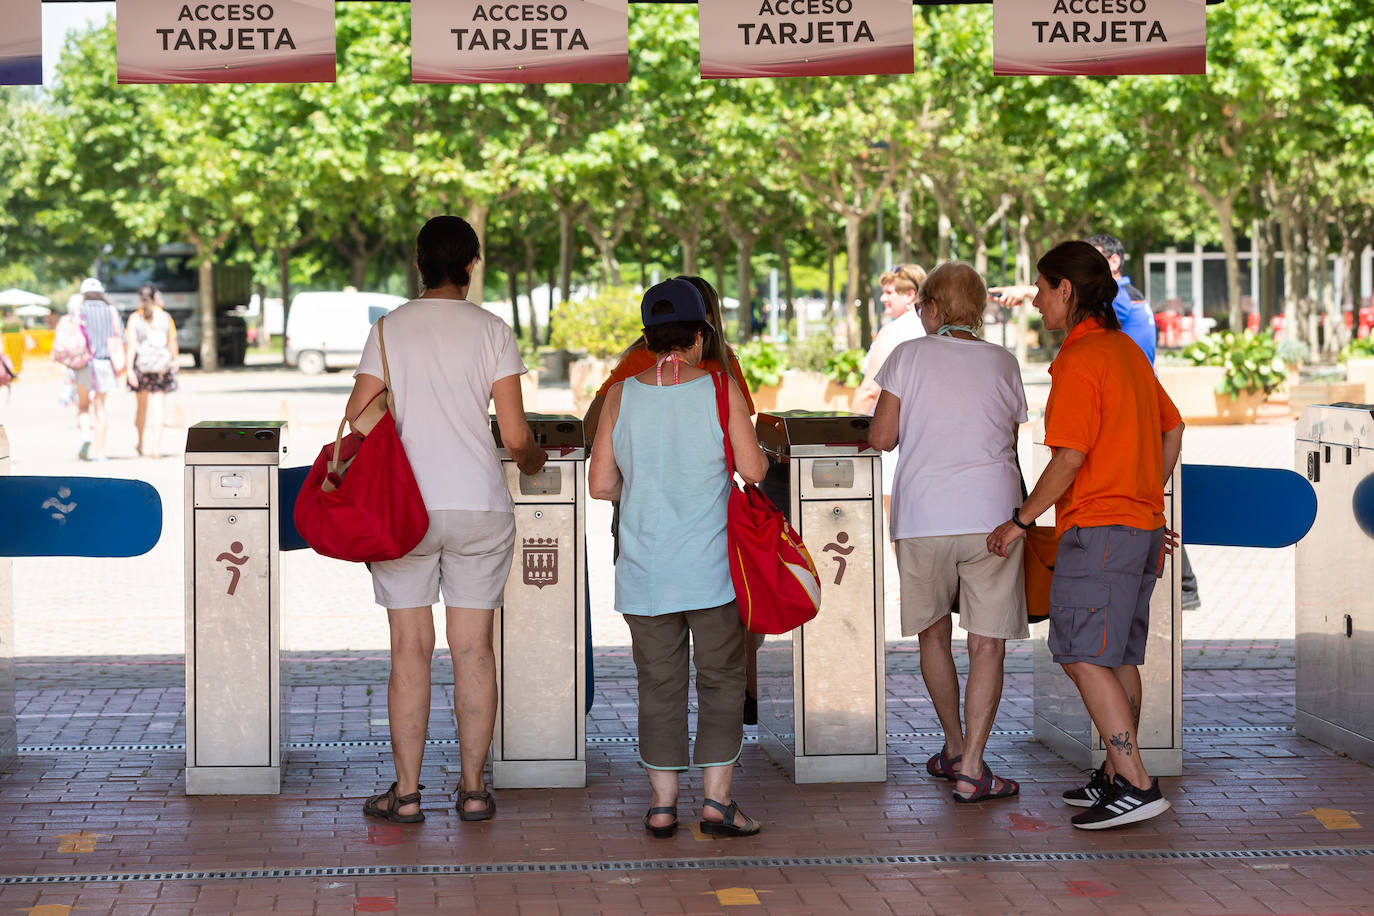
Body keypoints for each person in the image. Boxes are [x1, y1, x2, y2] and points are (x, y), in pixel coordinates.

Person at [347, 215, 546, 825]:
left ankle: (406, 796)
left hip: (403, 509)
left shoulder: (387, 330)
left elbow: (359, 419)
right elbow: (514, 437)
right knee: (473, 649)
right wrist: (538, 459)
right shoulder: (493, 331)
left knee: (409, 648)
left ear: (418, 262)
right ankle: (474, 789)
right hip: (479, 504)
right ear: (471, 264)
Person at [987, 240, 1184, 830]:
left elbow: (1069, 457)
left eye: (1042, 289)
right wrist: (1145, 491)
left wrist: (1020, 520)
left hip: (1098, 529)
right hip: (1139, 527)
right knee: (1117, 654)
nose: (1038, 302)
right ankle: (1115, 776)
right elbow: (1172, 430)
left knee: (1078, 652)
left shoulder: (1079, 361)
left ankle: (1138, 783)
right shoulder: (1125, 350)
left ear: (1065, 290)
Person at [587, 278, 769, 840]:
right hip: (711, 568)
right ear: (699, 335)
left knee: (659, 685)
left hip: (645, 569)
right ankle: (717, 804)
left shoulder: (621, 393)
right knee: (719, 681)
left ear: (649, 337)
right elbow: (754, 471)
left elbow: (600, 485)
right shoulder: (720, 389)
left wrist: (645, 483)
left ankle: (662, 805)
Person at [866, 262, 1029, 803]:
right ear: (979, 310)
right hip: (994, 519)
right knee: (987, 645)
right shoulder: (1003, 362)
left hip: (922, 517)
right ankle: (973, 768)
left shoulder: (907, 355)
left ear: (932, 308)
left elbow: (883, 437)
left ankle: (954, 746)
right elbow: (1007, 434)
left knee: (934, 635)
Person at [1086, 234, 1199, 610]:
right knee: (1147, 499)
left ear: (1114, 262)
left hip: (1131, 407)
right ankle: (1184, 586)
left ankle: (1183, 586)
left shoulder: (1116, 294)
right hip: (1143, 401)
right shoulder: (1132, 293)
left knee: (1142, 500)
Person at [850, 264, 928, 517]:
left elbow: (871, 390)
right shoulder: (930, 329)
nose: (883, 297)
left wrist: (846, 433)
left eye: (890, 292)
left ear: (910, 295)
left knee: (898, 528)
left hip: (891, 439)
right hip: (923, 439)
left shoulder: (894, 331)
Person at [125, 285, 179, 459]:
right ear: (156, 297)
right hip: (160, 367)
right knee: (159, 408)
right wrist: (175, 360)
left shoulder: (134, 318)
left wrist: (129, 370)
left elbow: (132, 345)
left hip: (141, 367)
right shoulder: (165, 317)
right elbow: (172, 341)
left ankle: (140, 443)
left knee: (141, 408)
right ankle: (156, 448)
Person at [73, 278, 124, 462]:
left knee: (84, 406)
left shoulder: (80, 310)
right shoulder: (111, 310)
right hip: (105, 364)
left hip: (84, 364)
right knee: (101, 408)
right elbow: (120, 337)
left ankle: (86, 436)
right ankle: (101, 453)